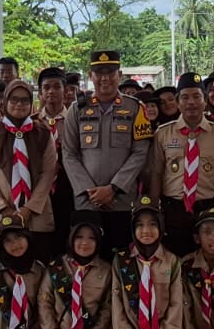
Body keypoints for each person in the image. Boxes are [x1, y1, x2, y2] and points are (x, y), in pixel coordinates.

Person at [58, 51, 153, 256]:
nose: (105, 78)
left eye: (110, 72)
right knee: (86, 260)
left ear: (119, 74)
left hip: (121, 202)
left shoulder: (136, 108)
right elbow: (69, 153)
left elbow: (140, 153)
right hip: (86, 202)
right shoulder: (77, 109)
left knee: (121, 261)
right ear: (90, 75)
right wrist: (91, 191)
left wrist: (113, 189)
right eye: (99, 73)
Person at [106, 197, 185, 329]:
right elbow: (116, 305)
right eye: (139, 225)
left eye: (152, 224)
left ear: (161, 227)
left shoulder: (172, 261)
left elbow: (176, 306)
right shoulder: (121, 261)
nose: (146, 230)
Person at [148, 72, 214, 256]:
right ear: (178, 101)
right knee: (176, 258)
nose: (191, 102)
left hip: (208, 207)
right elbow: (156, 174)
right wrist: (155, 212)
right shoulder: (163, 134)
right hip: (174, 209)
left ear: (204, 100)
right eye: (185, 97)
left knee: (208, 259)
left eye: (197, 96)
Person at [0, 79, 59, 259]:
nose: (19, 104)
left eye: (25, 100)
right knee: (0, 272)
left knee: (36, 269)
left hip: (36, 216)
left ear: (32, 103)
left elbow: (48, 173)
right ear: (4, 102)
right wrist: (3, 208)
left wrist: (29, 208)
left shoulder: (43, 133)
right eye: (14, 99)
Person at [33, 219, 114, 329]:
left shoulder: (107, 271)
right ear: (70, 239)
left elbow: (107, 310)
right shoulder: (56, 268)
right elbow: (44, 304)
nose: (84, 243)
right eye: (79, 237)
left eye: (91, 238)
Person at [35, 66, 77, 256]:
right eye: (46, 87)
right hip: (39, 188)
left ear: (65, 90)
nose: (51, 91)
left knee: (66, 234)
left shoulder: (76, 120)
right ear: (40, 92)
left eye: (56, 87)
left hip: (69, 186)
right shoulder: (32, 122)